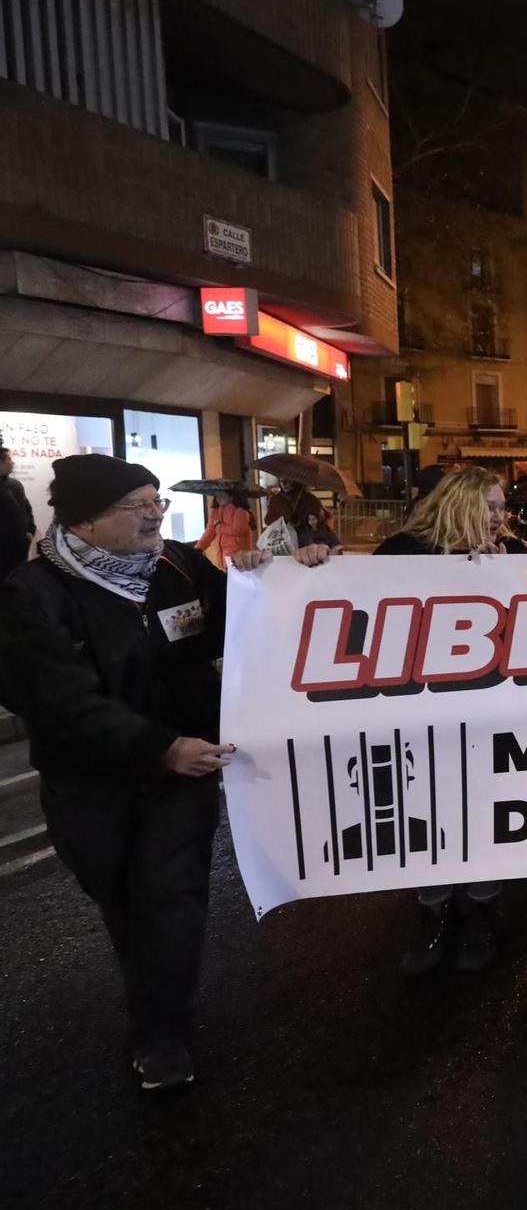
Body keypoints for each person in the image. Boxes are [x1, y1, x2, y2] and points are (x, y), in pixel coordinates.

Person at [0, 455, 328, 1090]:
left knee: (170, 896)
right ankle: (153, 998)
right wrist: (157, 745)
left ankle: (161, 1033)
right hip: (91, 784)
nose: (155, 513)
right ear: (85, 521)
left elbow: (243, 623)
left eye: (157, 500)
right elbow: (60, 702)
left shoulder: (178, 566)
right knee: (124, 899)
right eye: (136, 503)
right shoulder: (31, 596)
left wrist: (285, 577)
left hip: (182, 774)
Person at [373, 469, 527, 975]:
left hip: (492, 718)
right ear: (456, 504)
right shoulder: (402, 553)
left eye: (501, 506)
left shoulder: (518, 554)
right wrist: (308, 567)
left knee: (483, 811)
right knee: (428, 809)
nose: (498, 516)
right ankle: (434, 909)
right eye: (488, 506)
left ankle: (484, 906)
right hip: (420, 716)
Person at [257, 484, 341, 557]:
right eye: (281, 480)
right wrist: (285, 519)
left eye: (288, 480)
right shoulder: (277, 500)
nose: (284, 483)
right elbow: (268, 520)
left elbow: (325, 517)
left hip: (306, 543)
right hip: (285, 543)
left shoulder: (309, 499)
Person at [195, 488, 256, 564]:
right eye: (217, 496)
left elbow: (239, 530)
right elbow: (210, 531)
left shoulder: (240, 511)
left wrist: (220, 527)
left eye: (222, 496)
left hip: (239, 555)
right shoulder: (215, 512)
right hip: (223, 555)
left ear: (231, 497)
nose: (219, 499)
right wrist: (199, 547)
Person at [0, 440, 33, 580]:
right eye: (9, 460)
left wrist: (30, 530)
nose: (12, 463)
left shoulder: (16, 485)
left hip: (18, 549)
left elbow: (27, 509)